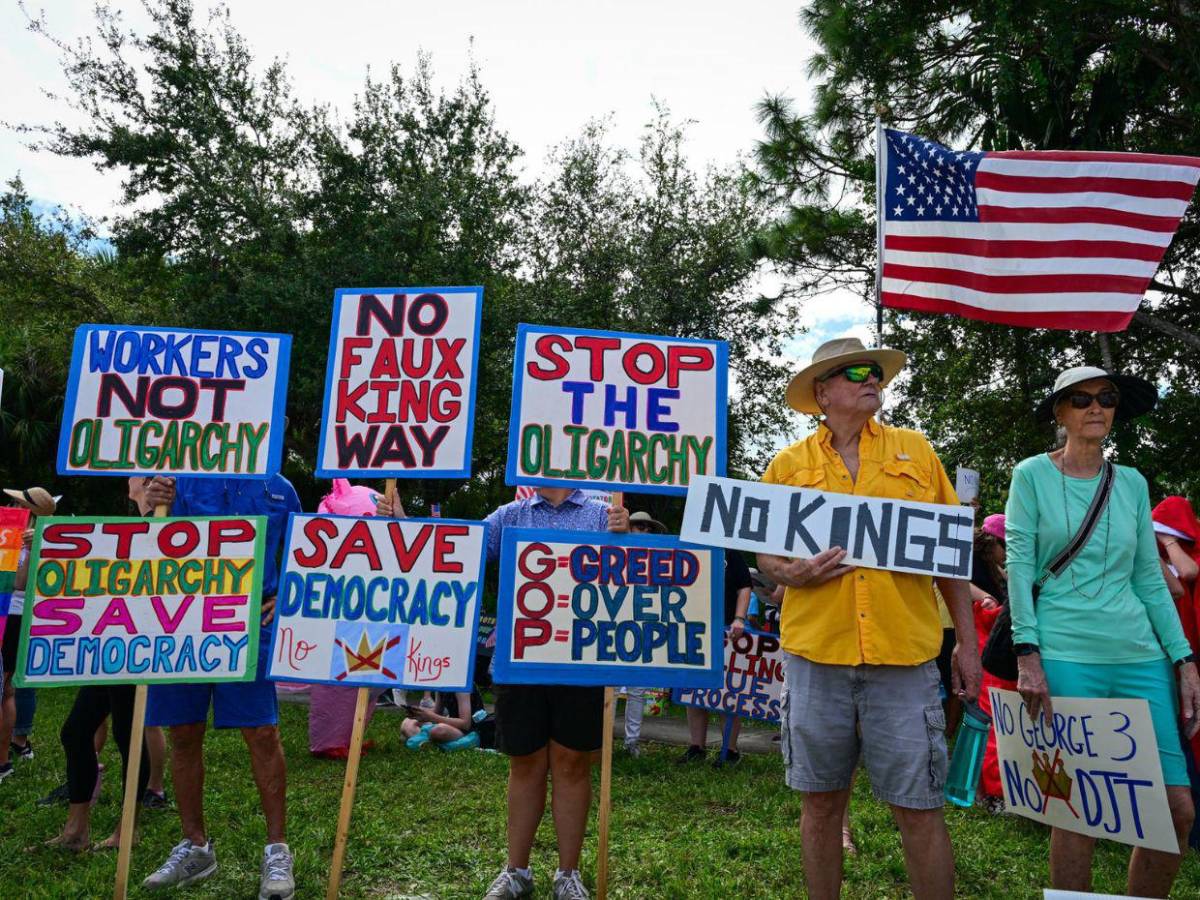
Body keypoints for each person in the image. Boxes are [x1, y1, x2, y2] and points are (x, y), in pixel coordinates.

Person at [756, 337, 980, 900]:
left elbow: (951, 558)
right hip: (815, 658)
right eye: (855, 372)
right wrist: (791, 575)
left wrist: (968, 645)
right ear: (822, 392)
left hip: (904, 658)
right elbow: (763, 554)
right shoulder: (787, 465)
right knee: (821, 803)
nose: (870, 378)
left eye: (875, 371)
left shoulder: (916, 451)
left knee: (920, 808)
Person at [380, 487, 629, 900]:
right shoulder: (509, 515)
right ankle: (517, 871)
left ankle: (568, 875)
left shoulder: (605, 514)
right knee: (525, 764)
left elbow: (633, 572)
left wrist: (627, 536)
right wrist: (405, 523)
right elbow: (454, 550)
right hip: (520, 661)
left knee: (572, 764)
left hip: (580, 662)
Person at [1008, 366, 1200, 896]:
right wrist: (1028, 654)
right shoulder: (1031, 475)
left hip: (1141, 656)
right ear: (1060, 412)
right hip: (1066, 651)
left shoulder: (1133, 481)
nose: (1095, 407)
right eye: (1080, 399)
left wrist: (1183, 660)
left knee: (1176, 809)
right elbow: (1020, 567)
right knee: (1078, 810)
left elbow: (1147, 574)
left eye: (1106, 398)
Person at [139, 474, 302, 900]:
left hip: (251, 622)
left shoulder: (281, 490)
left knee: (263, 732)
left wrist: (284, 592)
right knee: (183, 731)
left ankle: (277, 850)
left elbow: (306, 553)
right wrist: (149, 506)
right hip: (183, 618)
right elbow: (144, 546)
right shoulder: (178, 481)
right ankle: (195, 847)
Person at [307, 480, 388, 759]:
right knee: (336, 685)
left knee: (366, 682)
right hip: (339, 623)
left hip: (368, 619)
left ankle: (351, 735)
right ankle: (329, 739)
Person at [1, 486, 58, 783]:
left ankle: (16, 745)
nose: (12, 504)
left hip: (19, 614)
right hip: (9, 613)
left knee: (10, 682)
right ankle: (17, 743)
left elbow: (20, 584)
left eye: (18, 502)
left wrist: (28, 551)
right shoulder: (14, 534)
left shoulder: (39, 539)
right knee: (12, 682)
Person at [677, 548, 753, 768]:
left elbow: (745, 586)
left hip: (727, 632)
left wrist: (739, 618)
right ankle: (696, 747)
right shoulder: (688, 551)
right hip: (694, 630)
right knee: (693, 691)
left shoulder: (730, 553)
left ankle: (730, 750)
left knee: (727, 692)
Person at [969, 514, 1012, 812]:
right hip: (984, 643)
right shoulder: (970, 565)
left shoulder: (994, 567)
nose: (1007, 553)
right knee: (991, 719)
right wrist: (986, 600)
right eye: (1005, 546)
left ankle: (986, 789)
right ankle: (990, 793)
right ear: (992, 543)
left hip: (990, 641)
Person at [620, 510, 669, 757]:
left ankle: (631, 742)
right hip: (616, 626)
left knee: (637, 690)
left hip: (643, 626)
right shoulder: (617, 553)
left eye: (648, 528)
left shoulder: (657, 560)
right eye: (640, 526)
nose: (645, 531)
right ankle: (599, 740)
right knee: (608, 686)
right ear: (629, 529)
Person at [401, 688, 485, 751]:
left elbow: (465, 724)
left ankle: (424, 742)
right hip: (450, 725)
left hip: (468, 731)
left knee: (438, 730)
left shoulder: (462, 688)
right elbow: (437, 712)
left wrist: (431, 717)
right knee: (407, 723)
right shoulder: (442, 685)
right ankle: (429, 743)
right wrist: (420, 713)